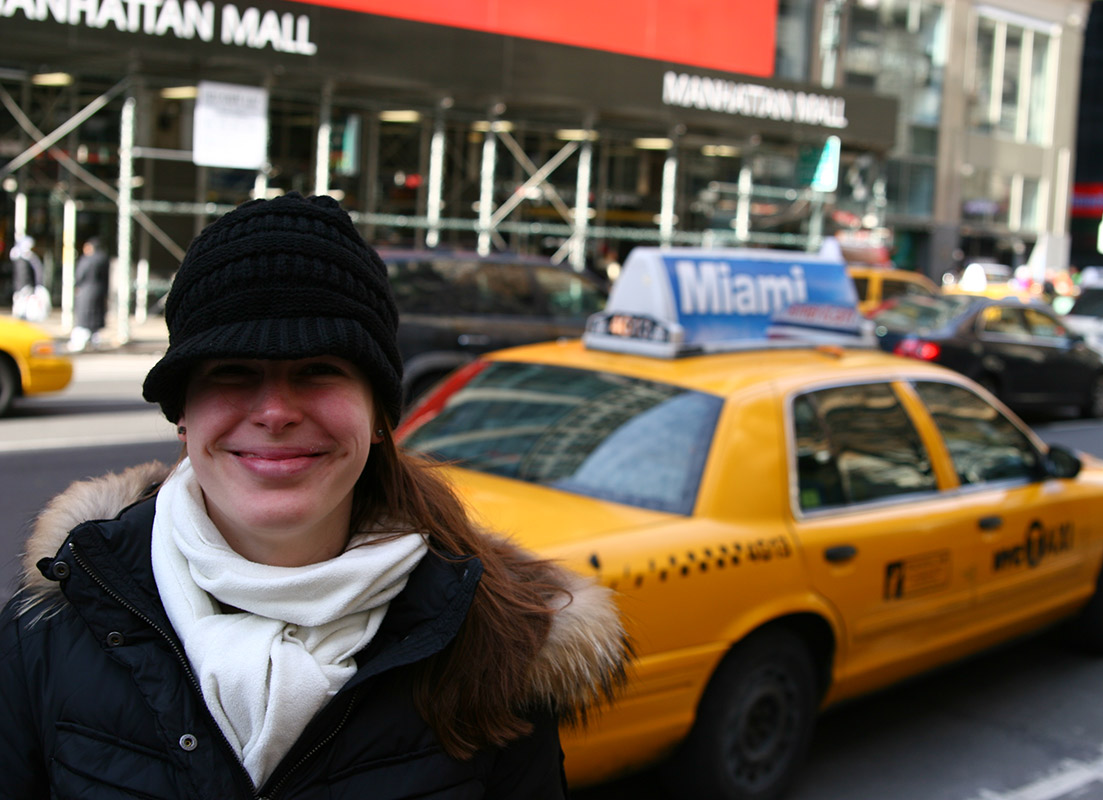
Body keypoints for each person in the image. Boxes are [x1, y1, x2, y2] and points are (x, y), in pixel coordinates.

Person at [0, 193, 630, 798]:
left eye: (319, 370)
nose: (275, 411)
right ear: (182, 414)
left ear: (378, 415)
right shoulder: (54, 625)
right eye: (231, 370)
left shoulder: (496, 643)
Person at [68, 237, 110, 351]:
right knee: (95, 318)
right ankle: (94, 341)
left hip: (86, 292)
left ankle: (80, 342)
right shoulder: (103, 258)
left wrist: (76, 285)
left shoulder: (87, 260)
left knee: (84, 318)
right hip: (99, 291)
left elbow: (80, 274)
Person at [9, 235, 48, 321]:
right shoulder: (26, 257)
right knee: (20, 304)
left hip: (23, 286)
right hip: (23, 285)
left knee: (22, 304)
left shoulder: (24, 257)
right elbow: (38, 271)